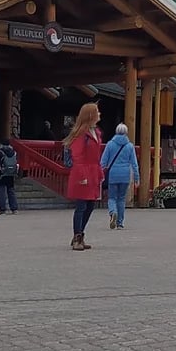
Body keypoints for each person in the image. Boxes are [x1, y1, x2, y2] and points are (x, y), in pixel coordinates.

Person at [64, 103, 105, 251]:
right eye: (97, 112)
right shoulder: (81, 134)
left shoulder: (96, 133)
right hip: (82, 172)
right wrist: (82, 175)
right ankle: (77, 237)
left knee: (90, 206)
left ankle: (80, 233)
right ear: (90, 115)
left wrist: (99, 172)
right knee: (81, 206)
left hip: (93, 171)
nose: (99, 114)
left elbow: (97, 156)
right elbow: (77, 156)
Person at [101, 122, 139, 229]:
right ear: (126, 132)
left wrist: (99, 174)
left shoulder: (110, 144)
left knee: (112, 197)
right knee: (121, 199)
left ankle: (113, 212)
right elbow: (134, 164)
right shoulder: (130, 146)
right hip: (125, 175)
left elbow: (103, 162)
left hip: (113, 174)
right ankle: (120, 223)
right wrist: (137, 178)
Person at [0, 141, 19, 214]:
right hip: (11, 174)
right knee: (11, 191)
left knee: (2, 192)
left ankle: (3, 209)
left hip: (2, 174)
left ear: (1, 145)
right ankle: (14, 209)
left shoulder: (0, 153)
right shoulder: (13, 153)